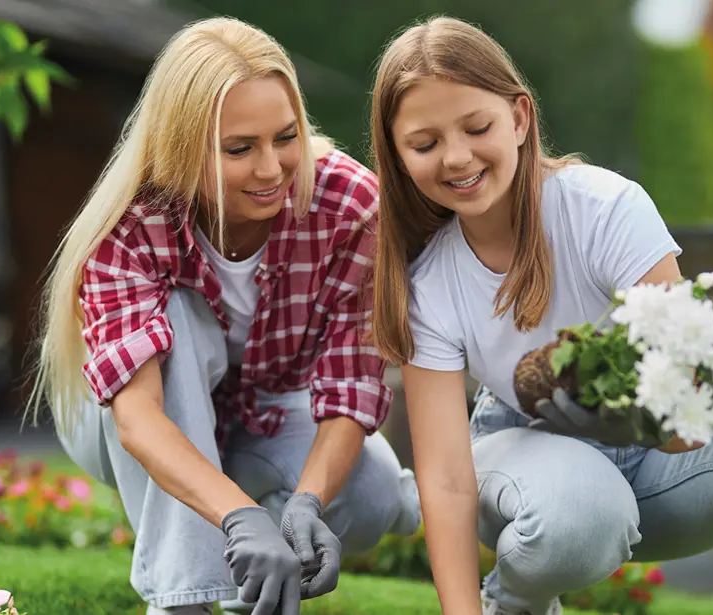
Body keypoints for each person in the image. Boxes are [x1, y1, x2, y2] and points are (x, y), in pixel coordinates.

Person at [369, 15, 713, 615]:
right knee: (584, 510)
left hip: (661, 472)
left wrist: (636, 425)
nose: (456, 157)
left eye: (476, 126)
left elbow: (696, 412)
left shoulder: (605, 210)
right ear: (398, 156)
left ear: (518, 117)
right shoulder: (429, 282)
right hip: (527, 469)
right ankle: (512, 604)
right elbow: (450, 480)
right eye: (425, 144)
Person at [26, 16, 420, 615]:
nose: (271, 170)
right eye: (239, 148)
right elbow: (137, 421)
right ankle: (183, 601)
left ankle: (247, 577)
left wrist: (306, 505)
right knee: (180, 317)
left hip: (258, 413)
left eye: (285, 137)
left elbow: (349, 386)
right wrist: (240, 517)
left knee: (371, 494)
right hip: (118, 424)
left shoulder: (348, 207)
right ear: (183, 145)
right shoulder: (133, 226)